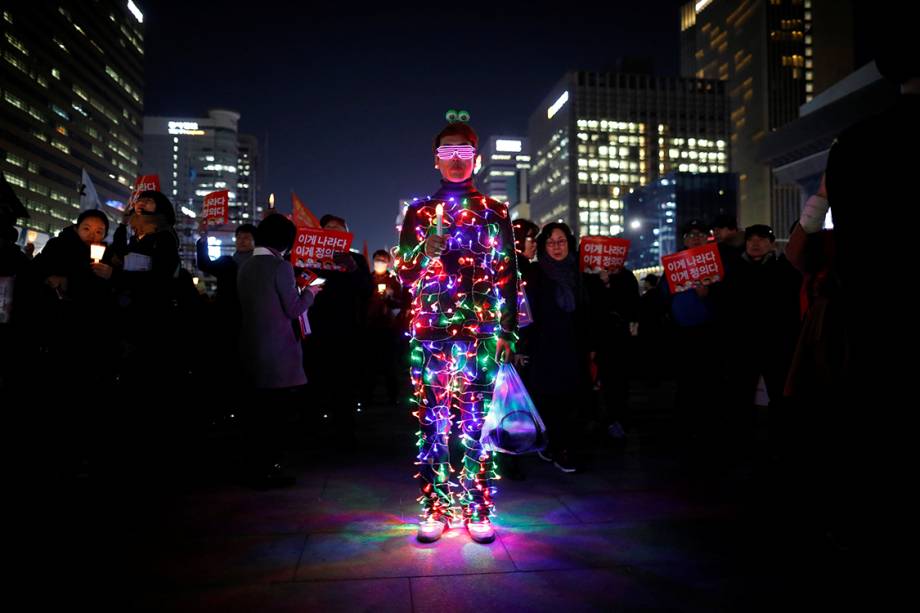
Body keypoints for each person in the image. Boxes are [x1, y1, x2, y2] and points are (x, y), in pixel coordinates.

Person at [397, 112, 518, 544]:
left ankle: (478, 508)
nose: (454, 159)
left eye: (462, 152)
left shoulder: (494, 211)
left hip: (481, 335)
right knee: (433, 424)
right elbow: (405, 278)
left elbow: (509, 273)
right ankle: (435, 508)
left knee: (477, 423)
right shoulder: (419, 212)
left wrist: (507, 331)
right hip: (430, 336)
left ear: (476, 159)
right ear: (435, 159)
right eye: (446, 152)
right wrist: (422, 252)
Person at [237, 214, 321, 487]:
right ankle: (271, 469)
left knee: (257, 416)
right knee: (276, 418)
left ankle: (256, 467)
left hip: (252, 348)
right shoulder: (280, 267)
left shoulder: (246, 266)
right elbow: (294, 308)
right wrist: (311, 292)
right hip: (278, 353)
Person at [526, 222, 596, 472]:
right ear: (544, 246)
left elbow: (589, 312)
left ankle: (562, 447)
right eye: (551, 242)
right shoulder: (536, 272)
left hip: (574, 347)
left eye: (562, 241)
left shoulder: (579, 273)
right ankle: (556, 447)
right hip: (546, 348)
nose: (557, 247)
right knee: (549, 401)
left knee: (572, 401)